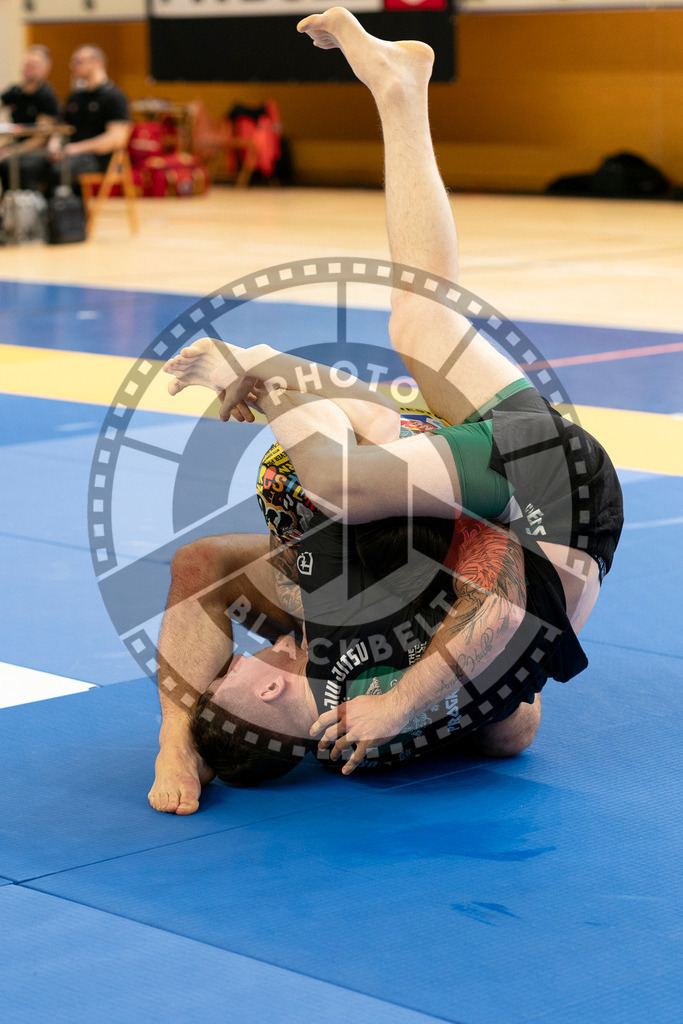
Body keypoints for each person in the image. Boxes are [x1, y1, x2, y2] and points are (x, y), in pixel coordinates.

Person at [149, 8, 622, 812]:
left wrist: (175, 747)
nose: (257, 650)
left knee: (418, 320)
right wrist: (410, 704)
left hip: (507, 494)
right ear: (266, 699)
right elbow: (513, 677)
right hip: (551, 506)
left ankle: (400, 89)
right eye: (240, 668)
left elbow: (204, 568)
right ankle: (261, 367)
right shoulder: (364, 701)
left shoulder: (335, 642)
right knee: (340, 483)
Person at [44, 45, 130, 193]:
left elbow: (117, 139)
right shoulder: (75, 97)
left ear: (97, 63)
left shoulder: (114, 97)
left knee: (60, 169)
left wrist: (78, 148)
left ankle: (69, 212)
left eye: (78, 62)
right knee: (31, 165)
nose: (73, 67)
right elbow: (62, 127)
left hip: (100, 159)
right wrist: (54, 143)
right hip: (72, 154)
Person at [0, 46, 59, 192]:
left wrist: (13, 151)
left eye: (34, 65)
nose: (28, 68)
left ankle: (24, 209)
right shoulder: (15, 91)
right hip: (15, 144)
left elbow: (40, 138)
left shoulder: (47, 96)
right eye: (27, 64)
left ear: (45, 69)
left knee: (13, 165)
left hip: (37, 151)